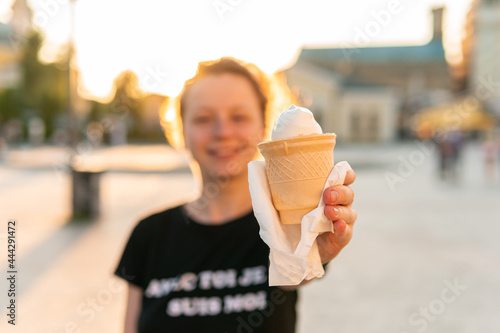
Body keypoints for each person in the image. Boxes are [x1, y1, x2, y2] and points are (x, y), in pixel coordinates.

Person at [114, 57, 357, 333]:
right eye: (204, 118)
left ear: (264, 127)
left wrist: (312, 247)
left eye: (239, 117)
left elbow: (293, 275)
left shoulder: (285, 227)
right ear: (181, 129)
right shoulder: (149, 235)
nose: (223, 132)